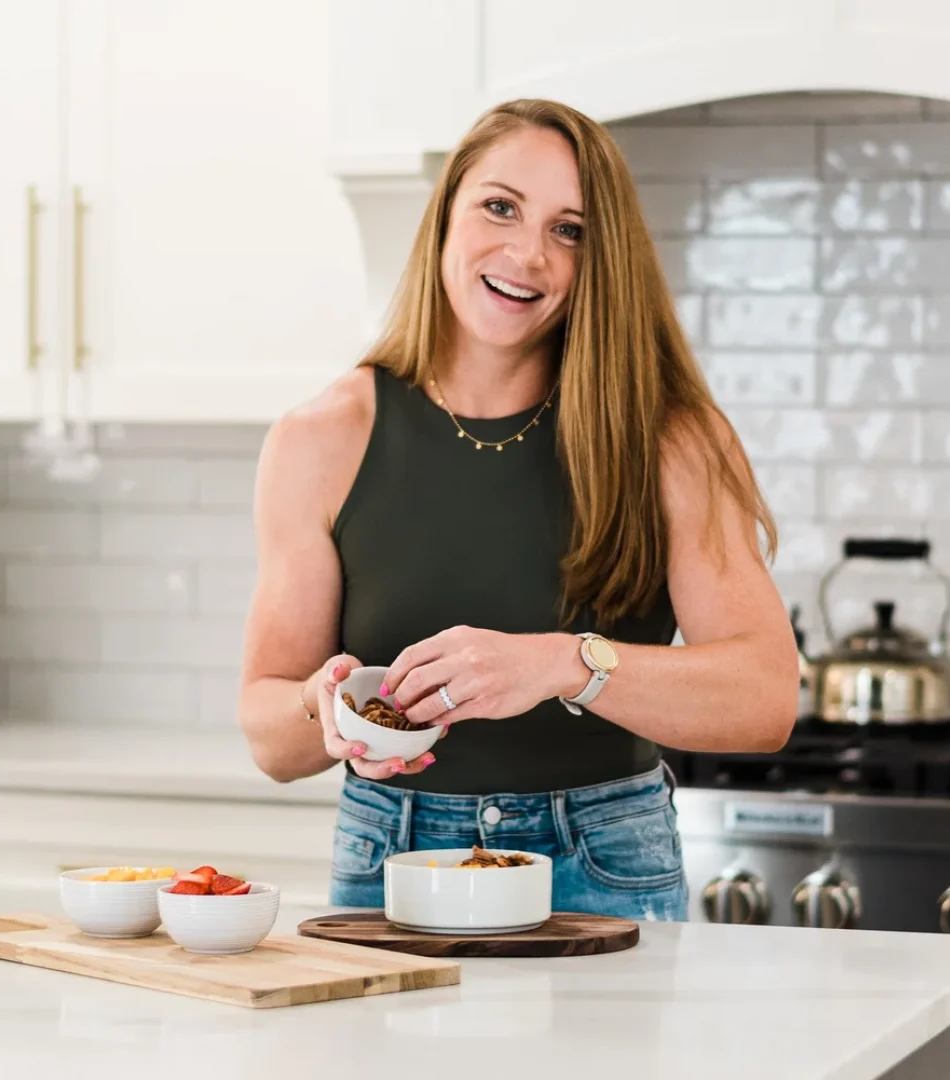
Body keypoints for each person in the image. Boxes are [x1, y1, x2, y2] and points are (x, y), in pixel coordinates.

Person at [238, 98, 798, 921]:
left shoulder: (671, 437)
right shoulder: (322, 438)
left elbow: (765, 699)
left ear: (600, 258)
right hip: (392, 855)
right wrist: (316, 708)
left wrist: (563, 663)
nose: (527, 254)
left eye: (569, 230)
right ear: (446, 216)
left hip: (602, 856)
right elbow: (269, 738)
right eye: (500, 207)